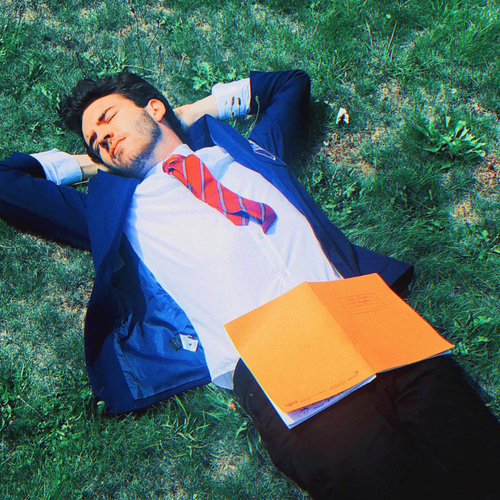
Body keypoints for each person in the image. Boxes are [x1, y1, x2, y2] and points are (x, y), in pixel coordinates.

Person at [0, 70, 499, 499]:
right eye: (94, 141)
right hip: (276, 357)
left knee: (484, 463)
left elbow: (290, 84)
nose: (102, 138)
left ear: (152, 107)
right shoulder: (116, 212)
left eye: (107, 119)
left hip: (367, 319)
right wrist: (85, 163)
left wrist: (189, 113)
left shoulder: (245, 151)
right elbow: (6, 182)